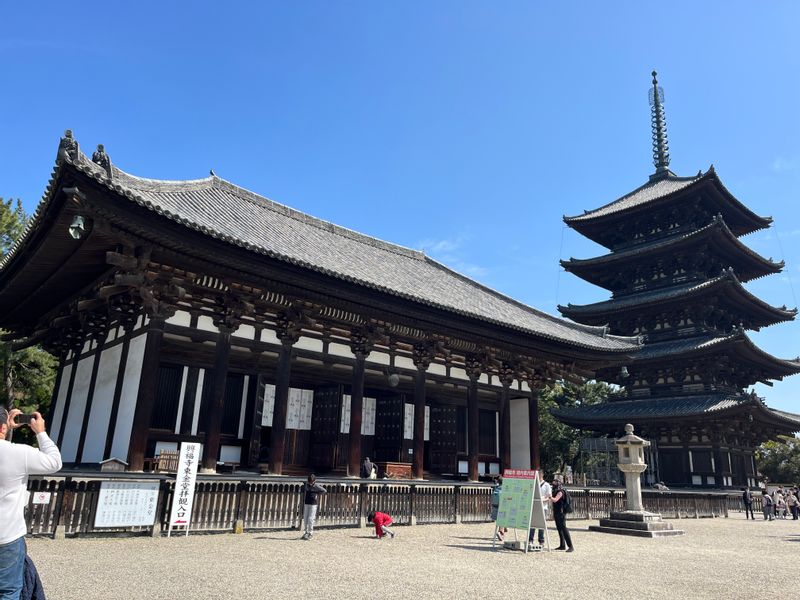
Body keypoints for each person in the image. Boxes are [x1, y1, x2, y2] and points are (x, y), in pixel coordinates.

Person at [0, 408, 62, 599]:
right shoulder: (19, 453)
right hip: (6, 535)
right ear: (3, 427)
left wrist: (6, 433)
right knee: (8, 590)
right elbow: (54, 462)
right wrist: (40, 432)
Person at [529, 475, 552, 550]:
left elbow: (549, 497)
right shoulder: (533, 484)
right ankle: (530, 540)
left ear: (541, 476)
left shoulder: (547, 485)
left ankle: (541, 541)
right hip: (534, 506)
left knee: (541, 524)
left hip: (543, 507)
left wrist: (542, 500)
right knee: (532, 523)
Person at [301, 474, 326, 540]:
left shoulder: (316, 486)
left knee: (310, 519)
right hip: (306, 503)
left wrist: (317, 494)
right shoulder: (306, 485)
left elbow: (324, 490)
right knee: (305, 519)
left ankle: (310, 533)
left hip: (313, 504)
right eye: (310, 482)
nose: (310, 483)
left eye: (312, 482)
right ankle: (306, 532)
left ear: (315, 481)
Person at [550, 479, 573, 552]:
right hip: (557, 512)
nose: (553, 486)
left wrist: (550, 497)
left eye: (554, 484)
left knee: (563, 528)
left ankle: (571, 546)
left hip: (561, 512)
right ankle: (562, 545)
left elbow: (555, 500)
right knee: (559, 528)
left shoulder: (561, 492)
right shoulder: (556, 491)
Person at [490, 476, 506, 541]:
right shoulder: (504, 489)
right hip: (503, 506)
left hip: (496, 506)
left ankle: (503, 530)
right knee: (503, 519)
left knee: (500, 519)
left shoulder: (496, 488)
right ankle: (501, 532)